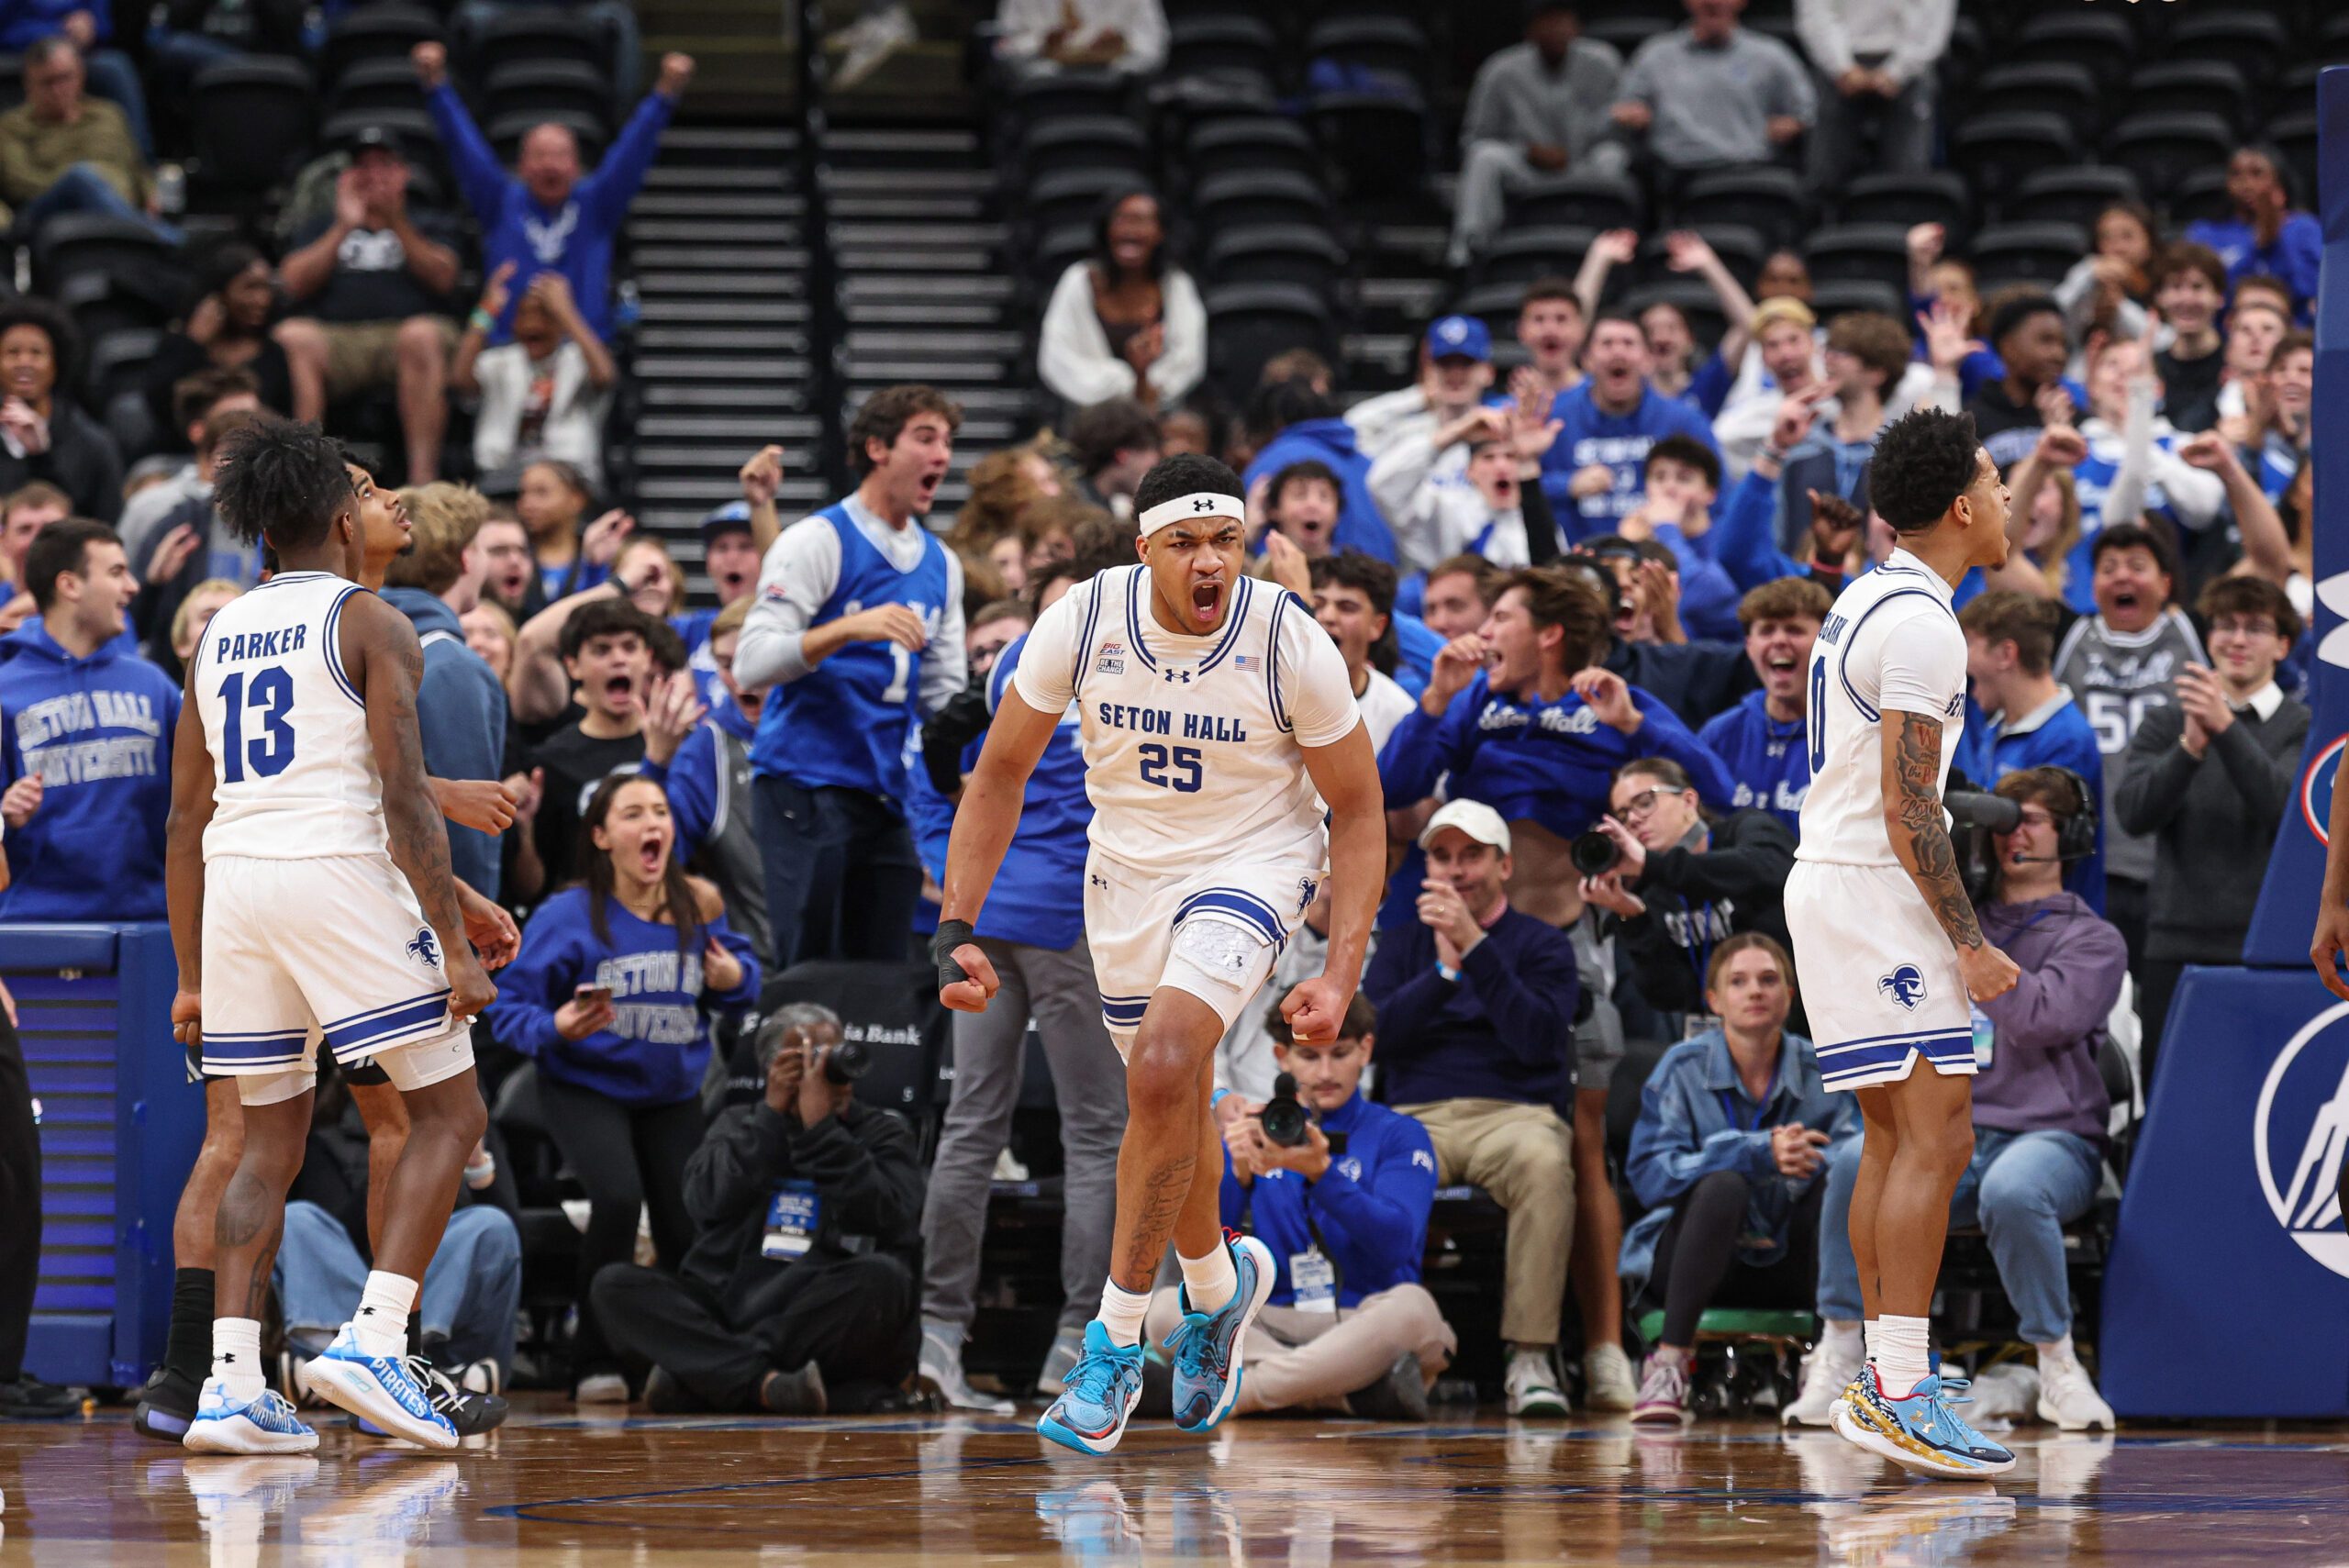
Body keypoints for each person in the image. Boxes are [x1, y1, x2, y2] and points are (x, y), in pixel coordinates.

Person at [932, 450, 1383, 1455]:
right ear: (1145, 553)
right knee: (1160, 1102)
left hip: (1257, 860)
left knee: (1170, 1062)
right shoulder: (1084, 620)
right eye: (1184, 542)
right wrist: (956, 924)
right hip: (1126, 876)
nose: (1210, 560)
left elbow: (1356, 810)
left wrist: (1339, 969)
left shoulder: (1285, 638)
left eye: (1225, 539)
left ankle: (1114, 1343)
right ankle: (1221, 1288)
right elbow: (998, 771)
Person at [169, 417, 499, 1454]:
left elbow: (185, 813)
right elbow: (401, 792)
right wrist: (452, 939)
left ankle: (228, 1381)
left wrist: (190, 969)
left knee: (266, 1137)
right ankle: (375, 1335)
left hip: (238, 885)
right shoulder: (370, 620)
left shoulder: (217, 628)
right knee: (451, 1111)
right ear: (340, 513)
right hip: (338, 871)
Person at [1781, 405, 2021, 1478]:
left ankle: (1887, 1376)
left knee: (1893, 1135)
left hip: (1835, 880)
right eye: (1999, 482)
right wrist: (1967, 938)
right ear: (1963, 506)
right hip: (1876, 887)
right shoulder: (1923, 620)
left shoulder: (1870, 593)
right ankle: (1901, 1387)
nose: (2009, 501)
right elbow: (1911, 804)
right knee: (1937, 1134)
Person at [1792, 767, 2123, 1434]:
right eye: (2004, 818)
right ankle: (1842, 1346)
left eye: (2032, 819)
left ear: (2073, 836)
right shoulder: (1941, 916)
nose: (2014, 834)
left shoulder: (2092, 938)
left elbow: (2038, 1020)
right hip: (1952, 1132)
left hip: (2051, 1137)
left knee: (2014, 1188)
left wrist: (1969, 948)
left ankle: (2057, 1362)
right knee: (1854, 1160)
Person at [906, 561, 1127, 1414]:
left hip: (990, 912)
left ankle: (936, 1334)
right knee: (1096, 1134)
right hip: (1073, 916)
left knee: (970, 1126)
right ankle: (1078, 1342)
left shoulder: (1012, 665)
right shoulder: (1123, 666)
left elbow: (951, 769)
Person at [484, 773, 760, 1402]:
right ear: (603, 836)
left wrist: (732, 974)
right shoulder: (567, 914)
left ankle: (690, 1359)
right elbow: (507, 1005)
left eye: (660, 810)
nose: (651, 823)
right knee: (616, 1199)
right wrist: (555, 1024)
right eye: (632, 813)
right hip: (586, 1085)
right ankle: (592, 1359)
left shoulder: (699, 905)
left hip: (671, 1091)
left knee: (690, 1222)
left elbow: (743, 983)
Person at [1361, 801, 1583, 1415]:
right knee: (1363, 1169)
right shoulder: (1401, 945)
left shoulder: (1543, 944)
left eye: (1472, 855)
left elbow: (1538, 1038)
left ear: (1505, 864)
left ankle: (1531, 1356)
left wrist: (1476, 948)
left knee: (1544, 1163)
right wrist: (1443, 971)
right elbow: (1374, 1039)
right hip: (1414, 1114)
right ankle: (1376, 1348)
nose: (1456, 870)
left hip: (1512, 1114)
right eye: (1442, 855)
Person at [592, 1004, 920, 1414]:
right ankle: (771, 1386)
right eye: (808, 1060)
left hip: (818, 1311)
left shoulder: (881, 1132)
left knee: (884, 1278)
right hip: (730, 1303)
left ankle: (713, 1377)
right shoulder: (738, 1124)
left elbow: (894, 1220)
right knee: (615, 1285)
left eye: (833, 1054)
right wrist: (771, 1118)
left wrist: (822, 1132)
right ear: (773, 1069)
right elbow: (704, 1204)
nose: (827, 1070)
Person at [737, 384, 967, 969]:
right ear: (877, 449)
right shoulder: (819, 538)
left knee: (881, 971)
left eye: (947, 441)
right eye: (925, 438)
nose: (942, 454)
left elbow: (943, 695)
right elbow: (752, 662)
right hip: (805, 782)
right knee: (808, 966)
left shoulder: (943, 563)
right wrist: (846, 629)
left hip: (885, 789)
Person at [1157, 993, 1453, 1418]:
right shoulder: (1256, 1131)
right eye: (1310, 1058)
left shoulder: (1400, 1134)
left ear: (1366, 1049)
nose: (1326, 1072)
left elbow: (1397, 1247)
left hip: (1362, 1320)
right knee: (1168, 1307)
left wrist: (1324, 1176)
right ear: (1282, 1057)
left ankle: (1244, 1393)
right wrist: (1235, 1178)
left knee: (1415, 1309)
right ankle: (1343, 1391)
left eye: (1341, 1054)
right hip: (1271, 1319)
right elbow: (1205, 1260)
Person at [1620, 933, 1849, 1424]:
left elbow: (1860, 1162)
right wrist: (1755, 1153)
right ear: (1715, 1000)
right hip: (1696, 1264)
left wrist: (1811, 1165)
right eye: (1738, 981)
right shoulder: (1681, 1068)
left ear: (1790, 995)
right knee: (1724, 1184)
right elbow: (1650, 1178)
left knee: (1836, 1187)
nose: (1755, 991)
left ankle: (1830, 1361)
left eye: (1769, 980)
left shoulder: (1823, 1069)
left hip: (1791, 1262)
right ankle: (1669, 1364)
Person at [2113, 576, 2308, 1084]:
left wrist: (2224, 729)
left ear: (2283, 645)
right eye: (2225, 625)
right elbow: (2133, 814)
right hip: (2173, 945)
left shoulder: (2302, 726)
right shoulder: (2168, 722)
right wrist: (2189, 749)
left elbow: (2287, 811)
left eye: (2256, 628)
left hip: (2265, 948)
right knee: (2169, 1096)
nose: (2237, 639)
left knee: (2258, 1098)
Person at [413, 42, 693, 346]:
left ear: (575, 166)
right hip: (509, 352)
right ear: (522, 166)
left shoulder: (597, 204)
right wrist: (436, 87)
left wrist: (664, 95)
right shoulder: (500, 202)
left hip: (582, 353)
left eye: (560, 155)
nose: (550, 165)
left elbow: (632, 153)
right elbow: (466, 152)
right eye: (540, 156)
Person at [274, 1068, 521, 1402]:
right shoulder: (330, 1137)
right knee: (299, 1218)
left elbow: (514, 1229)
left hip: (434, 1279)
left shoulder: (465, 1124)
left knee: (489, 1223)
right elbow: (338, 1233)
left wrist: (476, 1165)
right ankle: (335, 1356)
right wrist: (395, 1162)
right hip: (357, 1280)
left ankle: (425, 1364)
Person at [0, 518, 178, 920]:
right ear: (70, 586)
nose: (132, 587)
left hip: (148, 923)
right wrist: (4, 814)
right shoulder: (5, 689)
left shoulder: (153, 684)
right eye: (116, 572)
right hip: (35, 927)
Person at [2052, 525, 2203, 979]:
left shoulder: (2193, 631)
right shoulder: (2071, 634)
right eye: (2108, 568)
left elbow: (2266, 564)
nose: (2122, 578)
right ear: (2091, 582)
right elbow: (2004, 571)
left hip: (2176, 869)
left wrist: (2229, 471)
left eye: (2137, 567)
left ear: (2165, 583)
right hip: (2092, 864)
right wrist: (2040, 464)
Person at [273, 128, 462, 485]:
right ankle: (306, 472)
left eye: (385, 166)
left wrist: (397, 222)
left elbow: (444, 278)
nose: (374, 175)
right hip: (341, 341)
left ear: (403, 174)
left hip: (408, 334)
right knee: (293, 335)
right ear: (348, 177)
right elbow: (291, 283)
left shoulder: (428, 220)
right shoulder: (323, 222)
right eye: (364, 167)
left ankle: (422, 480)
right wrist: (343, 227)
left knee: (420, 335)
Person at [1580, 756, 1799, 1026]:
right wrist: (1632, 917)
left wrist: (1653, 865)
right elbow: (1669, 995)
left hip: (1804, 1024)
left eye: (1645, 802)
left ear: (1688, 800)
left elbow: (1771, 870)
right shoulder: (1655, 891)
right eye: (1623, 815)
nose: (1634, 820)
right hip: (1722, 1042)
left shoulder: (1747, 829)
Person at [381, 483, 509, 900]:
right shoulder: (452, 666)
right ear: (465, 558)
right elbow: (469, 824)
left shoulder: (357, 638)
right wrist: (471, 940)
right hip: (423, 927)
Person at [640, 597, 772, 961]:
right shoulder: (706, 750)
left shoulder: (829, 738)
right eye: (727, 664)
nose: (741, 677)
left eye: (753, 659)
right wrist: (656, 765)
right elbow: (654, 858)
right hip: (754, 968)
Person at [1957, 592, 2106, 913]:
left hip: (2050, 928)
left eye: (1969, 644)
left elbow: (2039, 855)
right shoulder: (1996, 727)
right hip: (2005, 919)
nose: (1960, 660)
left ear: (2006, 653)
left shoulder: (2066, 739)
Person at [1448, 2, 1626, 266]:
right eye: (1546, 21)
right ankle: (1471, 252)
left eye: (1562, 20)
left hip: (1584, 166)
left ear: (1576, 26)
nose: (1555, 30)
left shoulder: (1603, 63)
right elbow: (1474, 138)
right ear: (1530, 31)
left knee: (1613, 156)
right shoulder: (1501, 69)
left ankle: (1611, 245)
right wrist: (1527, 152)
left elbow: (1620, 132)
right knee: (1484, 156)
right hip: (1526, 170)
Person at [523, 598, 672, 898]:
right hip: (585, 926)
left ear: (648, 658)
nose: (619, 660)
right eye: (601, 650)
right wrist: (523, 829)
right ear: (573, 665)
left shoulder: (677, 744)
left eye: (630, 647)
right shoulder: (550, 761)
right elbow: (532, 887)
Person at [1371, 371, 1566, 576]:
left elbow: (1552, 583)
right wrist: (1455, 432)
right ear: (1470, 471)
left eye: (1510, 457)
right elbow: (1384, 485)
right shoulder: (1450, 513)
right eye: (1488, 458)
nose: (1501, 466)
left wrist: (1527, 463)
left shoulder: (1542, 522)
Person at [1541, 314, 1720, 536]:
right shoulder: (1556, 418)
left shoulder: (1685, 421)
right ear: (1586, 359)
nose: (1618, 352)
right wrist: (1568, 485)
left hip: (1660, 559)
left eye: (1628, 343)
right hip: (1577, 562)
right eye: (1607, 344)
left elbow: (1718, 495)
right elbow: (1519, 488)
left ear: (1647, 360)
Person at [1611, 0, 1816, 188]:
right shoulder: (1655, 54)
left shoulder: (1771, 55)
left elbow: (1808, 111)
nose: (1712, 1)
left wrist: (1794, 124)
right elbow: (1622, 108)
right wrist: (1632, 114)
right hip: (1672, 177)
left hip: (1748, 173)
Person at [1040, 187, 1205, 416]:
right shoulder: (1078, 281)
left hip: (1160, 419)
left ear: (1160, 233)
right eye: (1121, 219)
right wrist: (1122, 382)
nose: (1130, 229)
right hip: (1087, 422)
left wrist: (1145, 381)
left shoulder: (1177, 285)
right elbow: (1057, 358)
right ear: (1106, 230)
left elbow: (1188, 359)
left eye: (1142, 221)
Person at [456, 261, 619, 485]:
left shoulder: (579, 360)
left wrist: (565, 310)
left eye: (544, 314)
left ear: (560, 323)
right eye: (524, 314)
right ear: (513, 323)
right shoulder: (499, 361)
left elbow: (606, 376)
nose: (533, 323)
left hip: (568, 476)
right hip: (502, 478)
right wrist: (487, 309)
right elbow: (459, 379)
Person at [0, 38, 169, 241]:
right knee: (81, 178)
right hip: (49, 213)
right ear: (28, 85)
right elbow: (19, 183)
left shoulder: (109, 114)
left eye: (64, 78)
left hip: (119, 205)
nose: (57, 90)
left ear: (80, 74)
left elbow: (136, 166)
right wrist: (91, 184)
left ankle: (149, 236)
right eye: (47, 82)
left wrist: (149, 193)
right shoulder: (11, 126)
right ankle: (166, 243)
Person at [1699, 577, 1831, 837]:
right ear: (1749, 646)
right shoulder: (1721, 734)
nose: (1779, 640)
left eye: (1794, 630)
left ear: (1826, 643)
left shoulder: (1846, 733)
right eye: (1767, 630)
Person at [143, 251, 303, 442]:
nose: (262, 300)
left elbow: (284, 418)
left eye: (266, 289)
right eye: (250, 287)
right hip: (181, 453)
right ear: (218, 294)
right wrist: (193, 343)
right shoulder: (181, 343)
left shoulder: (273, 352)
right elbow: (159, 407)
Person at [1794, 0, 1948, 193]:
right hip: (1838, 69)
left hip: (1908, 68)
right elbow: (1815, 14)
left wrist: (1897, 72)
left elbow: (1933, 21)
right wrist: (1841, 67)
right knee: (1823, 179)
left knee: (1908, 179)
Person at [1241, 380, 1396, 563]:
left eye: (1324, 496)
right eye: (1300, 495)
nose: (1312, 504)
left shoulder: (1271, 460)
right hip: (1383, 580)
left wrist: (1247, 536)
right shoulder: (1368, 464)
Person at [0, 299, 123, 522]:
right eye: (12, 353)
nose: (24, 362)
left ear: (56, 363)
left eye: (37, 353)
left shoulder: (94, 445)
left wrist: (41, 457)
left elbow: (104, 530)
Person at [2185, 145, 2321, 323]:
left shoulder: (2304, 229)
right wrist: (2255, 248)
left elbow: (2313, 291)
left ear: (2280, 185)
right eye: (2236, 174)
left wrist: (2275, 245)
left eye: (2256, 174)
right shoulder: (2205, 233)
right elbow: (2206, 294)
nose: (2246, 184)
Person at [1308, 554, 1416, 755]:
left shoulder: (1398, 711)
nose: (1328, 617)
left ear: (1377, 626)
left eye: (1347, 608)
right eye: (1318, 604)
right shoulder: (1270, 692)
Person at [1965, 294, 2071, 470]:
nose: (2059, 354)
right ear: (2008, 347)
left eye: (2063, 344)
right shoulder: (1972, 423)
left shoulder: (2077, 421)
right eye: (2046, 340)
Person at [2150, 244, 2229, 435]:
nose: (2187, 299)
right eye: (2176, 287)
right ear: (2160, 297)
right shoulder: (2150, 368)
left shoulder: (2235, 364)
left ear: (2219, 297)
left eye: (2197, 287)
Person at [994, 0, 1167, 77]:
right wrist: (1042, 44)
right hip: (1043, 90)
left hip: (1113, 89)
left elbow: (1153, 48)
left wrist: (1122, 45)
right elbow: (1006, 48)